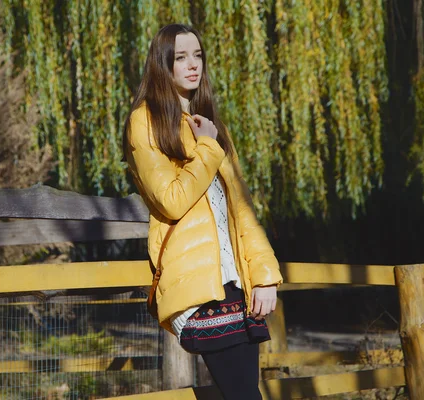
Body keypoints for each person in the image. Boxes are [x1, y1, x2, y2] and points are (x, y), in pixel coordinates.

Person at [123, 24, 284, 399]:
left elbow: (242, 212)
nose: (192, 65)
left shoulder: (212, 127)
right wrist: (208, 149)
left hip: (236, 283)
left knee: (243, 394)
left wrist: (263, 276)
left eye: (197, 56)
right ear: (162, 65)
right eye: (181, 57)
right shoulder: (145, 122)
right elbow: (173, 199)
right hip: (196, 286)